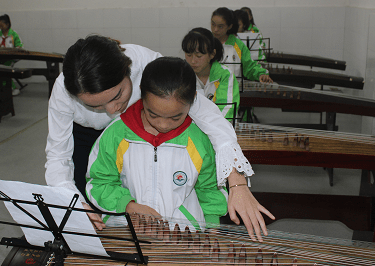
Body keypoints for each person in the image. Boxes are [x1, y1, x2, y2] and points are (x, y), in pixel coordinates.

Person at [45, 35, 274, 241]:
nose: (112, 109)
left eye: (117, 95)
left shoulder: (147, 64)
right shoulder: (64, 92)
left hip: (142, 123)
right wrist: (75, 203)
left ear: (129, 71)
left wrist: (237, 183)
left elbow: (209, 119)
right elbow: (58, 156)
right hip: (89, 136)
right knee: (89, 208)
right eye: (94, 105)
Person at [86, 57, 228, 229]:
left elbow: (210, 190)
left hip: (182, 235)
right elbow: (99, 183)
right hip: (128, 229)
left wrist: (212, 229)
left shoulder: (199, 139)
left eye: (175, 117)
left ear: (193, 99)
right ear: (142, 94)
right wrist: (128, 206)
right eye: (153, 114)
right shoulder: (116, 135)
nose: (163, 125)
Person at [182, 27, 239, 122]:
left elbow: (226, 109)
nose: (192, 61)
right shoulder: (182, 74)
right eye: (188, 55)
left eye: (199, 56)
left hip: (220, 130)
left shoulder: (224, 74)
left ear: (212, 54)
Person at [211, 7, 272, 83]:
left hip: (233, 91)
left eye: (220, 26)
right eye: (213, 24)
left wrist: (260, 74)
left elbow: (249, 67)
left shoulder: (238, 45)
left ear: (229, 26)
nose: (215, 29)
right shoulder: (206, 43)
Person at [0, 14, 24, 95]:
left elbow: (19, 45)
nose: (0, 27)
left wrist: (17, 47)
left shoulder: (13, 34)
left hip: (12, 57)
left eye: (1, 25)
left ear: (7, 24)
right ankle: (4, 87)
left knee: (5, 68)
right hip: (1, 57)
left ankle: (13, 87)